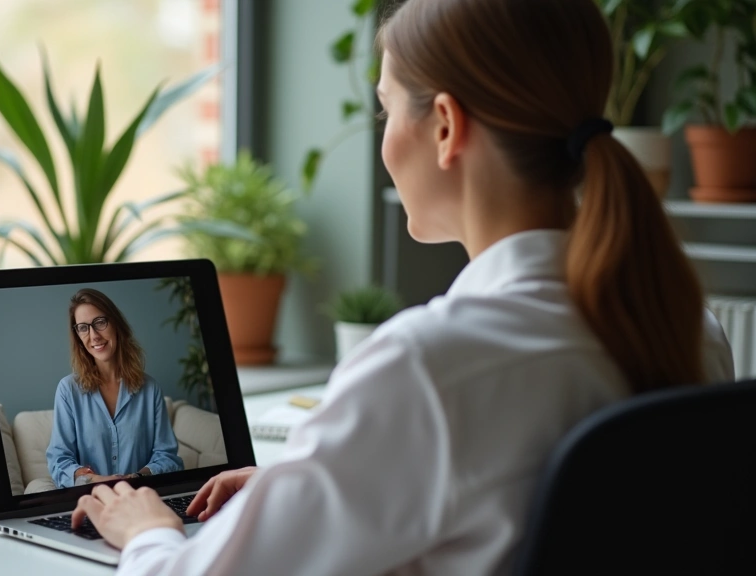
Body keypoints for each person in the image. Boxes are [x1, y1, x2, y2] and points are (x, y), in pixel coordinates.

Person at [70, 0, 735, 573]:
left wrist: (146, 531)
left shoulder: (428, 367)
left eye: (387, 108)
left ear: (445, 127)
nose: (386, 138)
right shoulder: (689, 329)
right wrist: (311, 484)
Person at [46, 288, 183, 488]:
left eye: (100, 322)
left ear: (116, 323)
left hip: (140, 496)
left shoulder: (150, 389)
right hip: (92, 500)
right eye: (83, 327)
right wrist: (102, 482)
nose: (93, 336)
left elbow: (168, 457)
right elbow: (60, 460)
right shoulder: (68, 390)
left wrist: (134, 479)